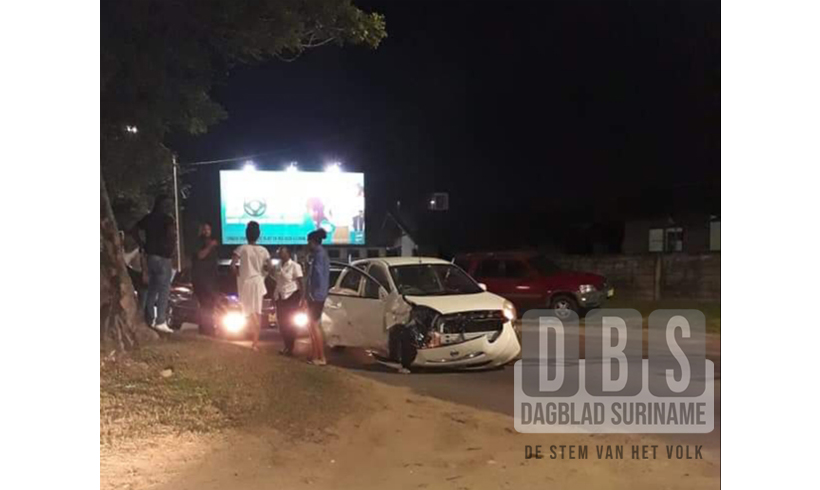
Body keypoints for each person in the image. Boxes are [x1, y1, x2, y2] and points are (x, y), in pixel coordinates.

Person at [129, 194, 176, 333]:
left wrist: (142, 244)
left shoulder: (149, 218)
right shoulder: (167, 219)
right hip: (163, 257)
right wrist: (171, 249)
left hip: (151, 256)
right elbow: (171, 235)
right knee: (164, 289)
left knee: (152, 289)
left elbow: (133, 229)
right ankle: (160, 320)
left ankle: (148, 319)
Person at [231, 221, 270, 351]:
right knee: (257, 311)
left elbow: (232, 265)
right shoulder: (264, 250)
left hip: (246, 282)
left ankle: (253, 338)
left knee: (249, 311)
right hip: (258, 282)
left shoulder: (241, 248)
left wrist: (238, 275)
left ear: (246, 234)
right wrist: (263, 275)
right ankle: (255, 342)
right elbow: (269, 267)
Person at [302, 228, 330, 365]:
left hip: (316, 295)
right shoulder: (319, 254)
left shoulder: (319, 255)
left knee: (314, 325)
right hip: (317, 294)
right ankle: (314, 355)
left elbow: (317, 276)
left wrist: (312, 293)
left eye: (309, 242)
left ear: (313, 241)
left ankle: (321, 357)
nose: (308, 244)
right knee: (312, 325)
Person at [272, 247, 304, 356]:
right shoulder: (278, 266)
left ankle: (290, 346)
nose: (280, 255)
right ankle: (286, 345)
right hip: (280, 296)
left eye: (283, 253)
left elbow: (300, 282)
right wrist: (274, 296)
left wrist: (302, 298)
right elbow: (277, 282)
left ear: (288, 254)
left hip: (292, 296)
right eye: (279, 253)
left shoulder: (295, 266)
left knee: (290, 322)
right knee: (281, 322)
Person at [191, 222, 219, 335]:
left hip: (211, 278)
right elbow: (200, 255)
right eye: (204, 229)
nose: (206, 231)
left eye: (208, 229)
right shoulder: (198, 242)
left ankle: (206, 327)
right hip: (201, 278)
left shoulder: (212, 242)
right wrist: (210, 246)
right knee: (205, 303)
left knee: (210, 304)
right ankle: (207, 328)